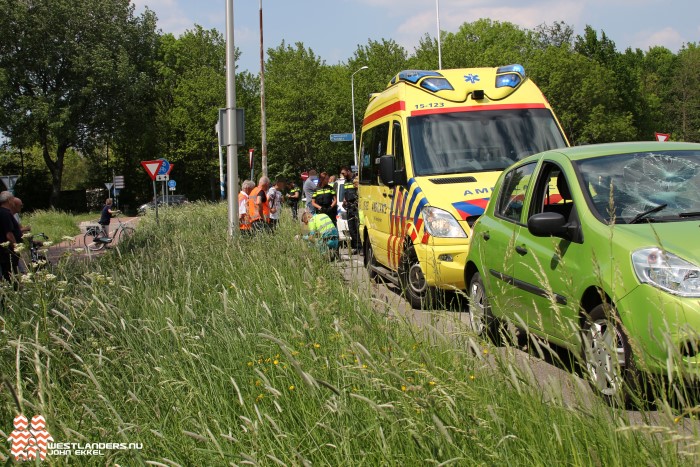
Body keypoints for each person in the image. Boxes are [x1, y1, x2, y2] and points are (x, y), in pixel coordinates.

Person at [0, 191, 20, 281]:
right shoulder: (5, 213)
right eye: (12, 199)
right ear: (9, 200)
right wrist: (17, 247)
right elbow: (9, 234)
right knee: (11, 274)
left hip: (4, 251)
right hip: (7, 251)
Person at [344, 176, 360, 254]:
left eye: (355, 183)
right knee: (351, 229)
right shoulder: (352, 189)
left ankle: (360, 247)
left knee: (357, 228)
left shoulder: (360, 191)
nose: (354, 184)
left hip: (357, 210)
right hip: (350, 209)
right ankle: (356, 246)